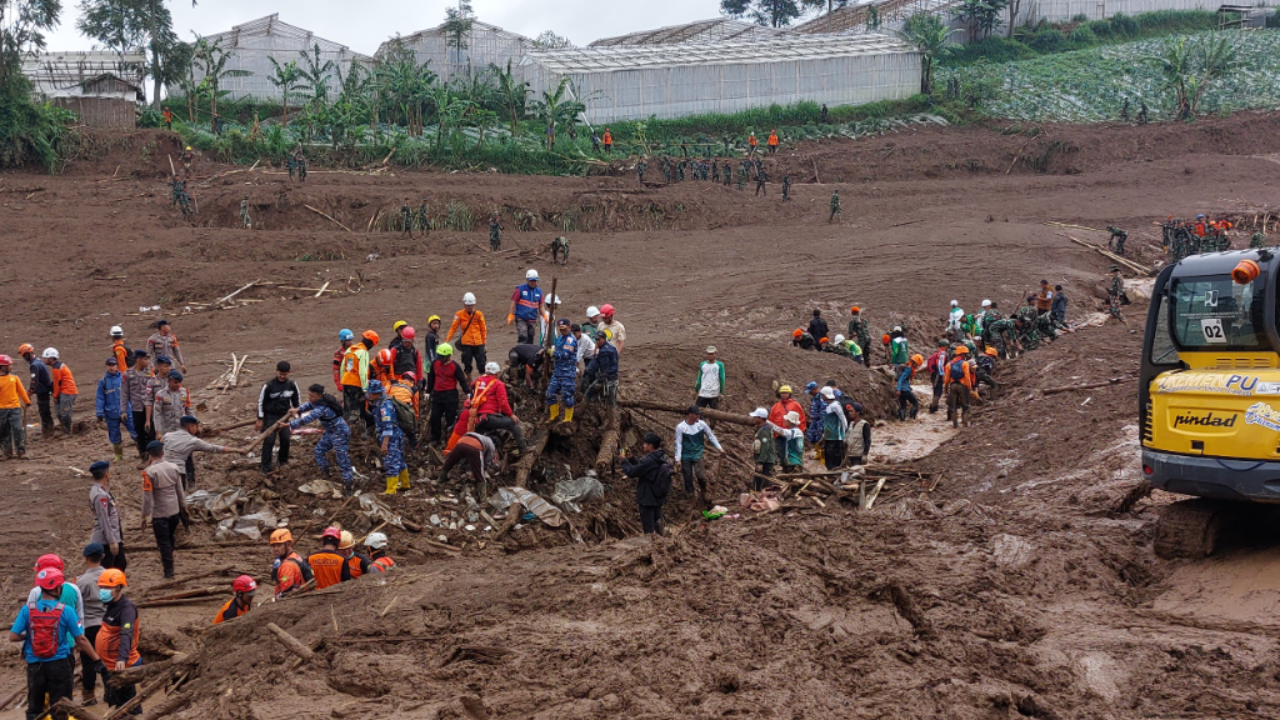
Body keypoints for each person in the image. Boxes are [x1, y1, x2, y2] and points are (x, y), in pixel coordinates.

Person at [11, 566, 101, 720]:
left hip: (35, 666)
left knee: (35, 708)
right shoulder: (66, 611)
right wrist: (96, 659)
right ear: (58, 587)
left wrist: (30, 636)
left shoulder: (27, 609)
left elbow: (13, 636)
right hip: (60, 664)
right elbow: (80, 639)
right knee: (61, 707)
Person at [288, 385, 355, 493]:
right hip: (330, 433)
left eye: (312, 396)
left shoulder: (323, 408)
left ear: (319, 396)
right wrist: (298, 409)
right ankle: (325, 474)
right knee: (318, 451)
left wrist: (288, 426)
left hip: (340, 433)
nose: (309, 397)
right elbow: (309, 405)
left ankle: (348, 484)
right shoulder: (320, 400)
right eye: (309, 395)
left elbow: (306, 420)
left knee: (342, 459)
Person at [95, 569, 140, 713]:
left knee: (128, 703)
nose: (103, 591)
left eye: (107, 588)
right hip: (109, 663)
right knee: (114, 700)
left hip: (122, 664)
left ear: (118, 588)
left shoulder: (127, 608)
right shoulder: (111, 605)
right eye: (102, 587)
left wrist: (122, 658)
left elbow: (127, 633)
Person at [141, 441, 185, 578]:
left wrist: (144, 515)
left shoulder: (148, 473)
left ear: (149, 454)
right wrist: (184, 507)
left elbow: (147, 497)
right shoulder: (174, 467)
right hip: (174, 510)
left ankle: (169, 571)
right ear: (162, 452)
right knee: (170, 538)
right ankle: (170, 561)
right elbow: (180, 490)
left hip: (160, 513)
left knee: (163, 542)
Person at [164, 415, 241, 491]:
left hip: (162, 469)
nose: (196, 429)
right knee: (177, 498)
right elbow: (214, 448)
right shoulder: (193, 441)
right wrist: (237, 450)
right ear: (190, 427)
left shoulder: (167, 436)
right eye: (196, 427)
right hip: (178, 472)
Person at [621, 432, 671, 535]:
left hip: (647, 499)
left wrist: (623, 461)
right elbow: (643, 469)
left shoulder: (650, 460)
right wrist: (631, 458)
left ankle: (652, 548)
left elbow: (632, 472)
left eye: (645, 443)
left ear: (651, 446)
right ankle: (662, 545)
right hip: (656, 498)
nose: (643, 445)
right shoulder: (660, 457)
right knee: (658, 524)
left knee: (649, 530)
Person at [470, 362, 527, 452]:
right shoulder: (498, 383)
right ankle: (523, 449)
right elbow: (503, 402)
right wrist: (511, 415)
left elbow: (471, 396)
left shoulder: (477, 381)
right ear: (497, 373)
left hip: (476, 417)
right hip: (489, 417)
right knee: (514, 423)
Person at [76, 543, 106, 705]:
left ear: (86, 558)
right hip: (108, 624)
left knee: (88, 661)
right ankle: (111, 692)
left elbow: (76, 602)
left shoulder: (82, 581)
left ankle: (89, 696)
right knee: (109, 658)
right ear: (102, 556)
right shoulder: (111, 576)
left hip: (89, 625)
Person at [257, 361, 300, 474]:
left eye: (284, 374)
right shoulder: (269, 385)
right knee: (269, 441)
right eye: (280, 374)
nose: (282, 376)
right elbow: (261, 402)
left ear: (288, 373)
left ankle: (283, 461)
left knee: (285, 439)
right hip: (270, 416)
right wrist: (260, 419)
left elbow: (296, 401)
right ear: (276, 371)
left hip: (284, 416)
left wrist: (297, 412)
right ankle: (266, 467)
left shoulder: (292, 385)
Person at [368, 381, 408, 496]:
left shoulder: (383, 406)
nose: (369, 395)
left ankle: (391, 489)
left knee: (391, 462)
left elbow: (388, 425)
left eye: (371, 392)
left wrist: (385, 443)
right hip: (397, 435)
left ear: (377, 393)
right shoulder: (383, 402)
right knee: (399, 460)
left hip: (391, 437)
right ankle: (405, 483)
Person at [674, 406, 724, 499]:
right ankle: (691, 497)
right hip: (685, 455)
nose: (698, 416)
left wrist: (719, 448)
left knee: (700, 475)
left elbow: (711, 436)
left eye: (699, 414)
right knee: (687, 477)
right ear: (690, 414)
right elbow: (678, 443)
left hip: (697, 453)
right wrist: (678, 459)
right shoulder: (680, 427)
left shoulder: (702, 424)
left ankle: (704, 491)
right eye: (696, 414)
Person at [427, 344, 470, 446]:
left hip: (450, 395)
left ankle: (449, 439)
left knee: (450, 418)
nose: (440, 359)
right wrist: (428, 391)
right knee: (435, 417)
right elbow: (431, 378)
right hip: (438, 395)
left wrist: (468, 392)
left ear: (448, 356)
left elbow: (462, 380)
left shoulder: (455, 366)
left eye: (442, 357)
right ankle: (436, 438)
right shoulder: (435, 364)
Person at [340, 330, 378, 437]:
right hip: (356, 385)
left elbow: (343, 368)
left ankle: (343, 432)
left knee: (348, 410)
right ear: (370, 343)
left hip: (346, 383)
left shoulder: (350, 350)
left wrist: (343, 382)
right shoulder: (363, 352)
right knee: (358, 411)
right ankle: (357, 435)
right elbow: (363, 372)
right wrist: (365, 389)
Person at [89, 461, 126, 571]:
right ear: (106, 474)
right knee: (109, 569)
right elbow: (104, 519)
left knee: (120, 564)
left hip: (112, 535)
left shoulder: (99, 490)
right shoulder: (100, 495)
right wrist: (112, 541)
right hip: (106, 540)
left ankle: (116, 587)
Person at [440, 429, 498, 497]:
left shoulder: (479, 436)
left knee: (449, 462)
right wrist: (483, 469)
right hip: (475, 447)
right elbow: (487, 460)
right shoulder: (491, 445)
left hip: (461, 442)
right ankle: (482, 496)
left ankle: (440, 480)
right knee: (479, 474)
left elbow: (468, 452)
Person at [94, 359, 130, 461]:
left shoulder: (124, 379)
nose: (111, 367)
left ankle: (142, 453)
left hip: (126, 412)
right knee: (114, 435)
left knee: (134, 432)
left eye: (113, 365)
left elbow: (131, 394)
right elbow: (100, 398)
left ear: (117, 366)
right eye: (109, 365)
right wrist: (99, 412)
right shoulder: (103, 382)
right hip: (111, 414)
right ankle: (118, 456)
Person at [447, 293, 488, 377]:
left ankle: (483, 380)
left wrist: (484, 343)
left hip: (478, 343)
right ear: (464, 304)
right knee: (467, 364)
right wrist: (447, 340)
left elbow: (483, 329)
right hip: (466, 343)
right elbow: (453, 328)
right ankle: (468, 381)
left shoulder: (479, 314)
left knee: (482, 364)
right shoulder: (459, 314)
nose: (470, 307)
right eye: (468, 305)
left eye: (471, 305)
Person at [18, 344, 53, 438]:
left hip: (42, 391)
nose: (24, 358)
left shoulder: (34, 365)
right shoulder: (39, 361)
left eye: (24, 356)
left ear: (27, 354)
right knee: (46, 412)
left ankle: (48, 433)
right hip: (45, 390)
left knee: (44, 412)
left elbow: (34, 381)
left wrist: (29, 392)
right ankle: (49, 431)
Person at [546, 320, 579, 423]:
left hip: (567, 373)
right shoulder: (560, 338)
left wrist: (553, 352)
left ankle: (568, 419)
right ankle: (554, 416)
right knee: (550, 393)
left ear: (569, 327)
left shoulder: (570, 340)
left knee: (566, 395)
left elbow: (565, 355)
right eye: (561, 329)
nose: (563, 331)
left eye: (564, 329)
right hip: (557, 371)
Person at [122, 351, 152, 459]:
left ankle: (151, 454)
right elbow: (124, 393)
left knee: (150, 431)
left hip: (149, 407)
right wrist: (124, 410)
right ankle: (143, 454)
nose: (147, 362)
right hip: (137, 408)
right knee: (139, 432)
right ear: (138, 360)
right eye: (145, 359)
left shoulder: (150, 373)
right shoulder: (128, 374)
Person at [0, 354, 30, 459]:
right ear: (2, 367)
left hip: (15, 408)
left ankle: (21, 452)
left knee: (17, 429)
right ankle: (7, 453)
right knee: (4, 430)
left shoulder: (14, 378)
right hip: (1, 409)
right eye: (8, 365)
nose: (11, 367)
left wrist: (27, 401)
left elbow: (21, 391)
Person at [268, 529, 312, 599]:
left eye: (279, 545)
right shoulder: (295, 556)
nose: (275, 549)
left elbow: (286, 592)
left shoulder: (287, 565)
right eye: (273, 546)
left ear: (288, 544)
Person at [42, 348, 77, 435]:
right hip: (65, 391)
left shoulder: (56, 368)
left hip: (68, 391)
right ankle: (65, 428)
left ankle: (67, 431)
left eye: (45, 358)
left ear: (51, 358)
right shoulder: (58, 366)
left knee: (65, 413)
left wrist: (55, 395)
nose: (44, 360)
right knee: (60, 413)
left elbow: (57, 383)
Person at [768, 386, 807, 462]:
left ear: (790, 394)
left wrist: (799, 432)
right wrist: (772, 433)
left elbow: (801, 418)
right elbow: (771, 419)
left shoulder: (795, 405)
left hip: (792, 434)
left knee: (794, 452)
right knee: (781, 452)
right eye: (782, 393)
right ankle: (785, 467)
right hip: (779, 434)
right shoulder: (775, 406)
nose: (784, 395)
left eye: (786, 393)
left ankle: (795, 466)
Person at [150, 369, 189, 440]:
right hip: (167, 430)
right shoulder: (161, 395)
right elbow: (157, 414)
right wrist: (158, 432)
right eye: (175, 382)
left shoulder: (183, 393)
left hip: (181, 429)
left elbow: (188, 408)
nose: (178, 385)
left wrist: (196, 423)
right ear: (169, 381)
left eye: (179, 382)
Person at [507, 269, 544, 345]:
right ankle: (521, 353)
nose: (533, 282)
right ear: (527, 280)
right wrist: (511, 315)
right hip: (521, 318)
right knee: (523, 337)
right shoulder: (520, 289)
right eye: (531, 281)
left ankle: (528, 355)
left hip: (532, 319)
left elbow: (541, 306)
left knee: (530, 339)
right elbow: (513, 303)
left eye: (535, 280)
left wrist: (545, 316)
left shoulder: (539, 291)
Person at [583, 330, 618, 405]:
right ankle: (611, 415)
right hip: (614, 378)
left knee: (589, 393)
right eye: (596, 339)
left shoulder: (604, 352)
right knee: (611, 401)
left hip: (607, 380)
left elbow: (604, 369)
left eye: (599, 339)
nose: (597, 341)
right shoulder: (612, 348)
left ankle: (580, 411)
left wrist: (600, 381)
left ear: (604, 339)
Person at [749, 408, 779, 491]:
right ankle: (759, 495)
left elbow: (764, 447)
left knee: (765, 480)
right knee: (758, 479)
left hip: (766, 460)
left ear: (760, 418)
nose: (754, 418)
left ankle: (768, 496)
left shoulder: (764, 431)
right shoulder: (764, 428)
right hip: (766, 459)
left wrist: (760, 462)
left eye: (755, 417)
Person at [944, 346, 974, 429]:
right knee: (965, 406)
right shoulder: (965, 363)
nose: (966, 356)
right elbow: (967, 377)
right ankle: (965, 424)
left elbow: (946, 379)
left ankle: (955, 425)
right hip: (963, 386)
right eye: (965, 354)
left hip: (953, 386)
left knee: (953, 406)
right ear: (962, 354)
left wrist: (946, 390)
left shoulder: (949, 364)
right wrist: (970, 388)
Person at [819, 387, 848, 470]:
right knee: (828, 455)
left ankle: (834, 472)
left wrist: (845, 433)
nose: (822, 397)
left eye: (822, 395)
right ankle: (830, 471)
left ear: (825, 395)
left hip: (835, 436)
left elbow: (843, 419)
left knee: (834, 455)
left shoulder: (835, 406)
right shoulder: (829, 406)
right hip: (829, 435)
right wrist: (824, 435)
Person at [896, 354, 923, 420]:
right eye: (916, 364)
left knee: (903, 406)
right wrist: (898, 389)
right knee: (915, 403)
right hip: (904, 390)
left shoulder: (907, 366)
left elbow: (904, 380)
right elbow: (901, 379)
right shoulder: (909, 369)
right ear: (914, 362)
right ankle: (912, 418)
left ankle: (902, 420)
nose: (917, 366)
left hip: (903, 389)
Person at [925, 341, 948, 414]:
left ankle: (934, 407)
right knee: (938, 392)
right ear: (944, 346)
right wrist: (943, 375)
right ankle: (932, 407)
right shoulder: (942, 353)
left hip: (934, 374)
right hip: (938, 375)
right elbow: (940, 365)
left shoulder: (937, 353)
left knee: (936, 391)